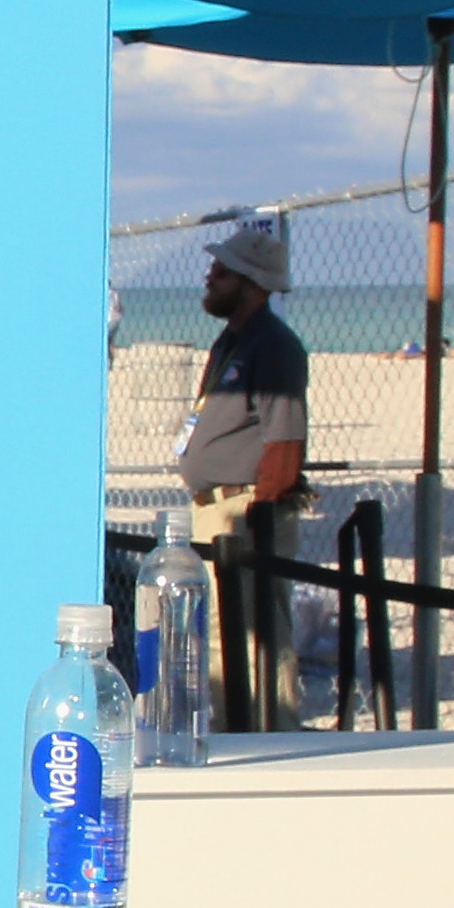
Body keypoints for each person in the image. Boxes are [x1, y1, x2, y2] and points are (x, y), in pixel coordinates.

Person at [176, 213, 308, 728]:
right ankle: (232, 730)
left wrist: (262, 515)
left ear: (253, 283)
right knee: (220, 633)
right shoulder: (230, 342)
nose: (210, 277)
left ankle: (272, 734)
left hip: (245, 508)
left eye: (224, 272)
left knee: (258, 635)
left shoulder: (274, 346)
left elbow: (285, 439)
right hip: (215, 508)